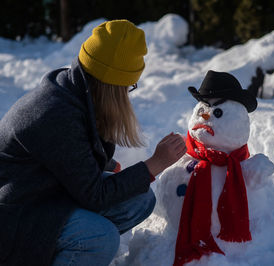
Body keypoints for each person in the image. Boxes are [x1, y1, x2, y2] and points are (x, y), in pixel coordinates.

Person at [0, 19, 186, 266]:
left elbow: (67, 155)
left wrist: (106, 164)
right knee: (100, 237)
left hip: (43, 196)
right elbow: (94, 196)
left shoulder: (74, 90)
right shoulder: (55, 114)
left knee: (139, 200)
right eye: (129, 86)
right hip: (14, 218)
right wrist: (155, 164)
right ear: (114, 86)